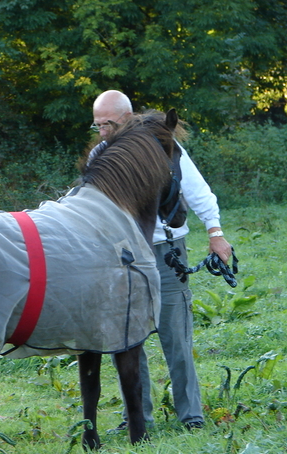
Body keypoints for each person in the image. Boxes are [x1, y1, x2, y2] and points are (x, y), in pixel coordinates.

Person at [90, 90, 232, 430]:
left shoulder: (166, 150)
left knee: (176, 336)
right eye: (96, 125)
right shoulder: (101, 154)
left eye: (108, 123)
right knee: (127, 339)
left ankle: (191, 416)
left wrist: (215, 233)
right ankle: (138, 417)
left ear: (126, 119)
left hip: (165, 253)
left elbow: (198, 191)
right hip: (121, 255)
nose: (102, 131)